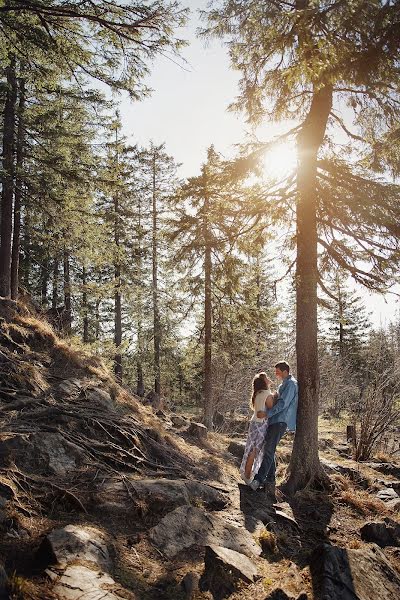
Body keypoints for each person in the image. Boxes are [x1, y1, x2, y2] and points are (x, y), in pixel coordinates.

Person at [249, 361, 298, 494]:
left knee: (269, 450)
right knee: (268, 449)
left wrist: (267, 414)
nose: (275, 374)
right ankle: (270, 479)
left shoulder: (291, 384)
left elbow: (283, 404)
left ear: (285, 371)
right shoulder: (283, 384)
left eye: (277, 371)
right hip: (273, 421)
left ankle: (258, 480)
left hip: (280, 421)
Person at [240, 372, 276, 485]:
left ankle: (246, 474)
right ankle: (247, 475)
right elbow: (271, 408)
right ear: (264, 382)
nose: (269, 379)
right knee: (255, 450)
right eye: (267, 378)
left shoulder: (258, 393)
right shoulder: (267, 394)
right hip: (261, 424)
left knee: (251, 448)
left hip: (254, 423)